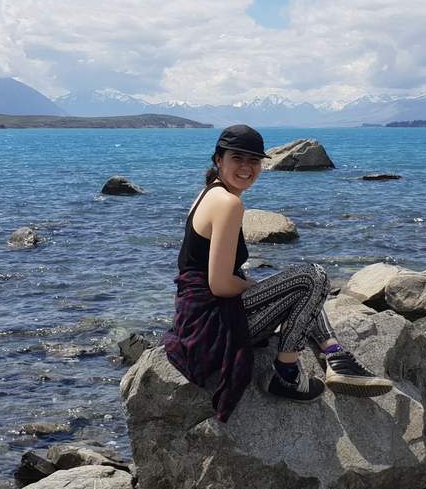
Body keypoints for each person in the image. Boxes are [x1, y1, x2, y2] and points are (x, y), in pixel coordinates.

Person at [161, 124, 393, 423]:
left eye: (254, 160)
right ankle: (287, 374)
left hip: (195, 318)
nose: (246, 167)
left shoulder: (208, 194)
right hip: (212, 327)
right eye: (237, 158)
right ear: (218, 159)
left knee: (301, 292)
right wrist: (252, 286)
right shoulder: (229, 203)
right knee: (313, 277)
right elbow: (219, 284)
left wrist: (259, 287)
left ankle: (335, 355)